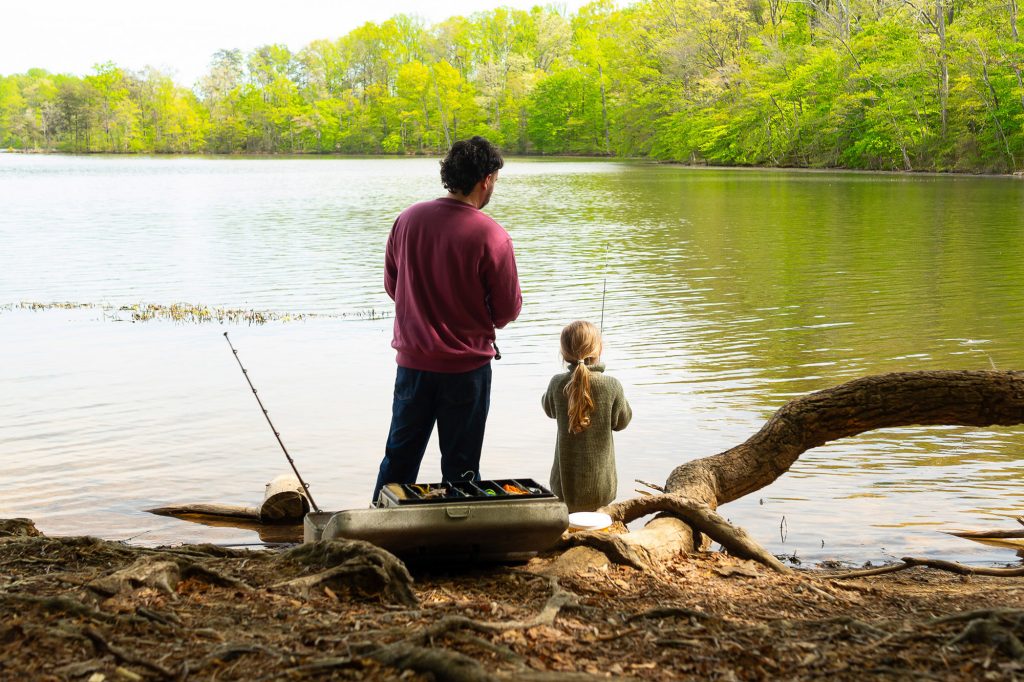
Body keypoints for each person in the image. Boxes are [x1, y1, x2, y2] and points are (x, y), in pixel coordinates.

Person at [372, 136, 522, 503]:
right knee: (462, 467)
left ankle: (373, 535)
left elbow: (394, 287)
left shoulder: (407, 220)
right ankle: (461, 540)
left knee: (399, 461)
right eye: (495, 181)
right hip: (466, 372)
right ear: (486, 179)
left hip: (413, 366)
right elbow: (506, 312)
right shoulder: (492, 236)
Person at [542, 320, 632, 513]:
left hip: (564, 486)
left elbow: (548, 409)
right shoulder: (611, 385)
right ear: (599, 349)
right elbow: (622, 422)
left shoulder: (557, 383)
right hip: (600, 487)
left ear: (564, 354)